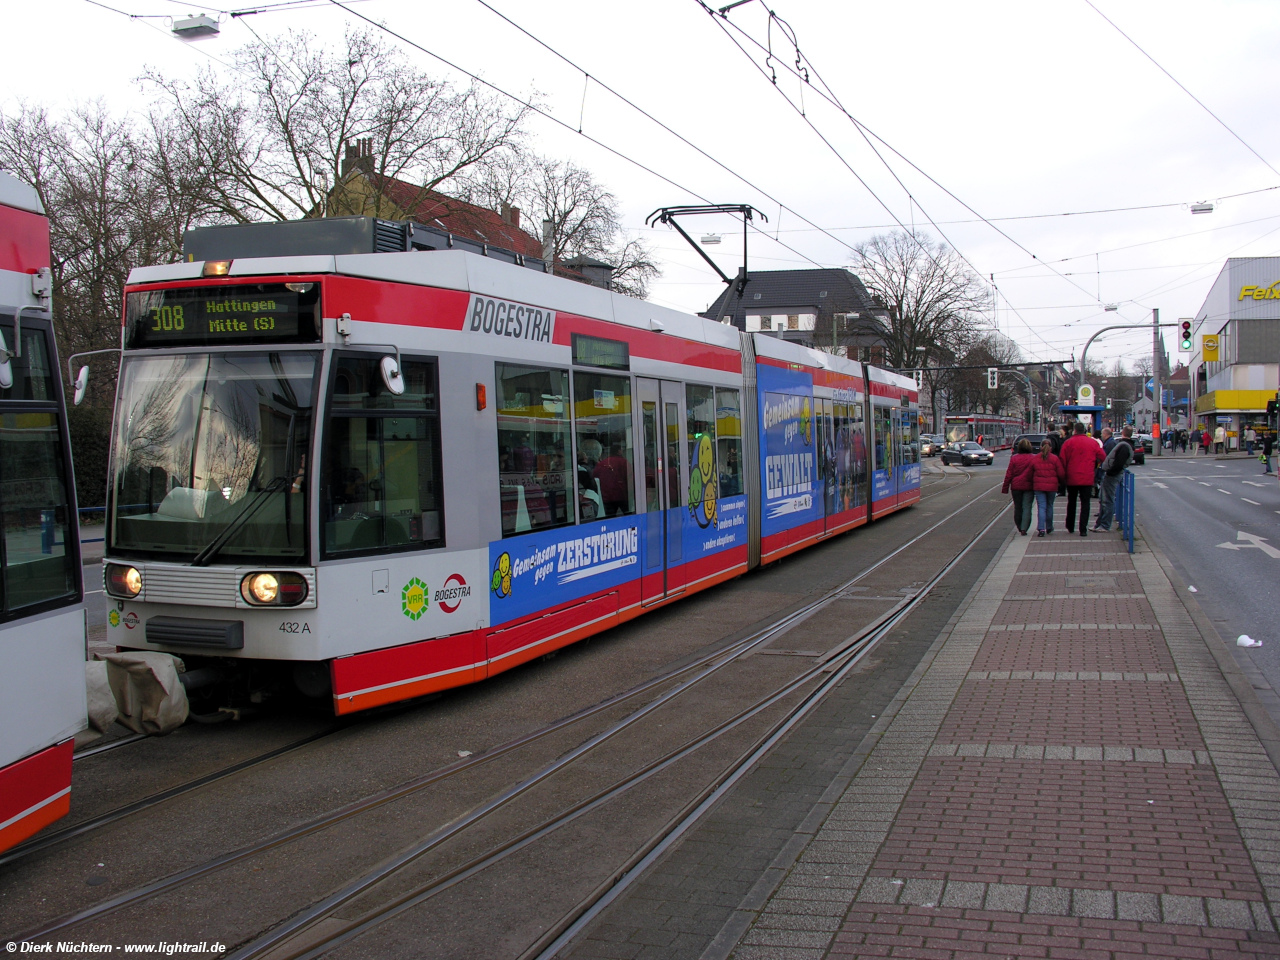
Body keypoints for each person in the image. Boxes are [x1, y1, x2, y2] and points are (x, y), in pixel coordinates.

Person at [1060, 421, 1104, 536]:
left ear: (1074, 430)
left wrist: (1063, 476)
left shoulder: (1068, 443)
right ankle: (1083, 529)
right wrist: (1095, 464)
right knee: (1085, 503)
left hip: (1072, 477)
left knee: (1072, 502)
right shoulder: (1092, 443)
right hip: (1087, 477)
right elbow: (1103, 456)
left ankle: (1070, 526)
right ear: (1084, 431)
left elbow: (1062, 460)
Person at [1094, 426, 1134, 532]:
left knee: (1107, 500)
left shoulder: (1124, 446)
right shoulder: (1125, 445)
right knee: (1104, 499)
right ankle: (1100, 523)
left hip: (1112, 475)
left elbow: (1119, 463)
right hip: (1111, 474)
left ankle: (1105, 525)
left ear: (1123, 432)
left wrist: (1110, 471)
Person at [1002, 438, 1037, 536]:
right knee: (1027, 507)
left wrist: (1005, 487)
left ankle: (1019, 525)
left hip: (1016, 486)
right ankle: (1024, 528)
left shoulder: (1014, 458)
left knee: (1018, 507)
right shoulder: (1034, 457)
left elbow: (1009, 474)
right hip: (1029, 486)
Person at [1031, 439, 1065, 537]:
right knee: (1050, 506)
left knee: (1041, 507)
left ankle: (1041, 529)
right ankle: (1049, 527)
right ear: (1051, 448)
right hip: (1052, 486)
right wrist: (1061, 482)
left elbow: (1030, 472)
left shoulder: (1035, 458)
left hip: (1038, 486)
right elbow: (1061, 473)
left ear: (1041, 447)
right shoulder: (1055, 459)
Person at [593, 442, 632, 516]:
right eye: (621, 449)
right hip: (622, 495)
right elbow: (630, 478)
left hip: (607, 497)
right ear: (618, 451)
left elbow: (595, 477)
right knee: (629, 516)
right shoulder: (624, 462)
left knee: (610, 518)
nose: (623, 451)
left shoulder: (602, 463)